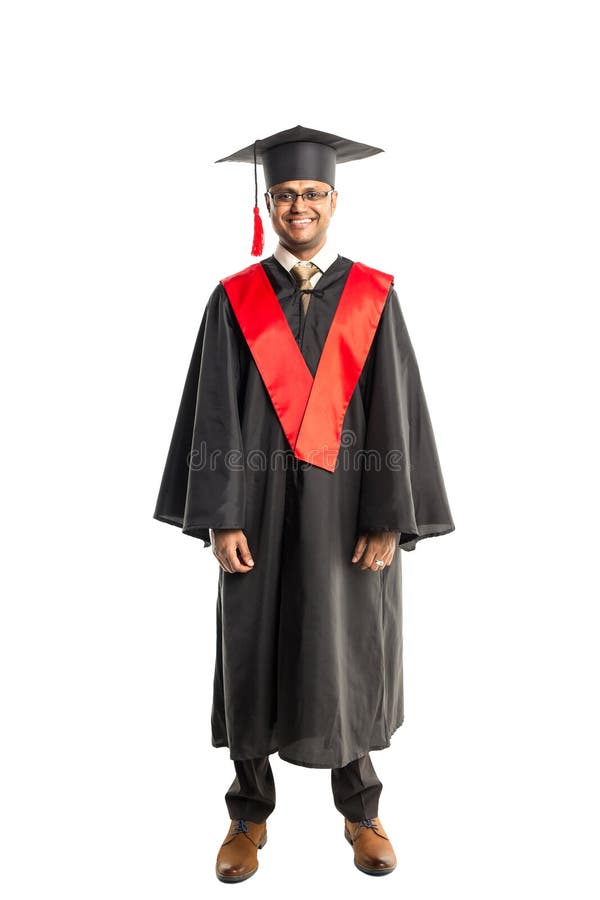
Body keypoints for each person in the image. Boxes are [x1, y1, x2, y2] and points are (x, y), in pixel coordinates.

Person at [153, 125, 455, 882]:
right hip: (253, 512)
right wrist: (221, 516)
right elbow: (217, 414)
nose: (299, 206)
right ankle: (246, 817)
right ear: (268, 202)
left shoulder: (374, 296)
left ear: (334, 201)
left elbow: (397, 411)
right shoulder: (235, 300)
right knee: (253, 648)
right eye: (286, 194)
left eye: (312, 194)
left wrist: (391, 514)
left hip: (350, 510)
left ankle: (363, 812)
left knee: (345, 647)